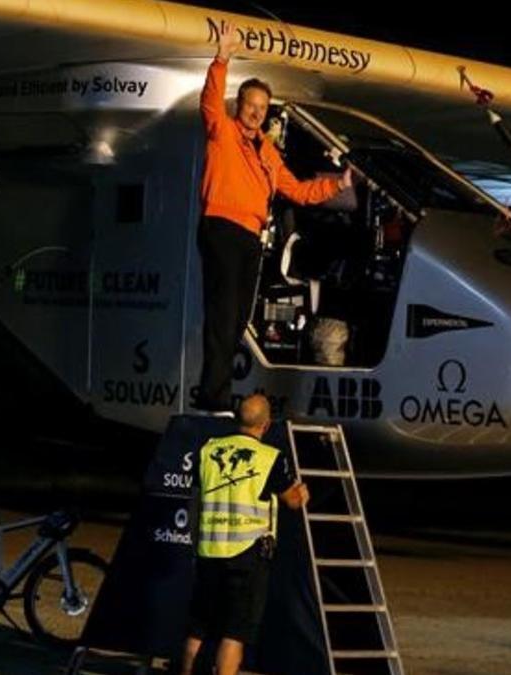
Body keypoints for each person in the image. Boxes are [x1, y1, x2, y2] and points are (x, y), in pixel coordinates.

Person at [195, 21, 352, 413]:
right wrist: (222, 57)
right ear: (239, 106)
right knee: (222, 314)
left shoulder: (267, 152)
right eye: (250, 105)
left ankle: (217, 391)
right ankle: (213, 397)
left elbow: (298, 190)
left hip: (250, 235)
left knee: (238, 321)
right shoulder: (224, 132)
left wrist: (337, 184)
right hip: (221, 228)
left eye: (263, 108)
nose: (256, 113)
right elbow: (210, 101)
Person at [181, 395, 310, 675]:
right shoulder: (269, 457)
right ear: (266, 425)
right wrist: (302, 493)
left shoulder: (209, 449)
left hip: (209, 550)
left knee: (198, 628)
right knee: (234, 632)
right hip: (246, 555)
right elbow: (292, 500)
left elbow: (196, 495)